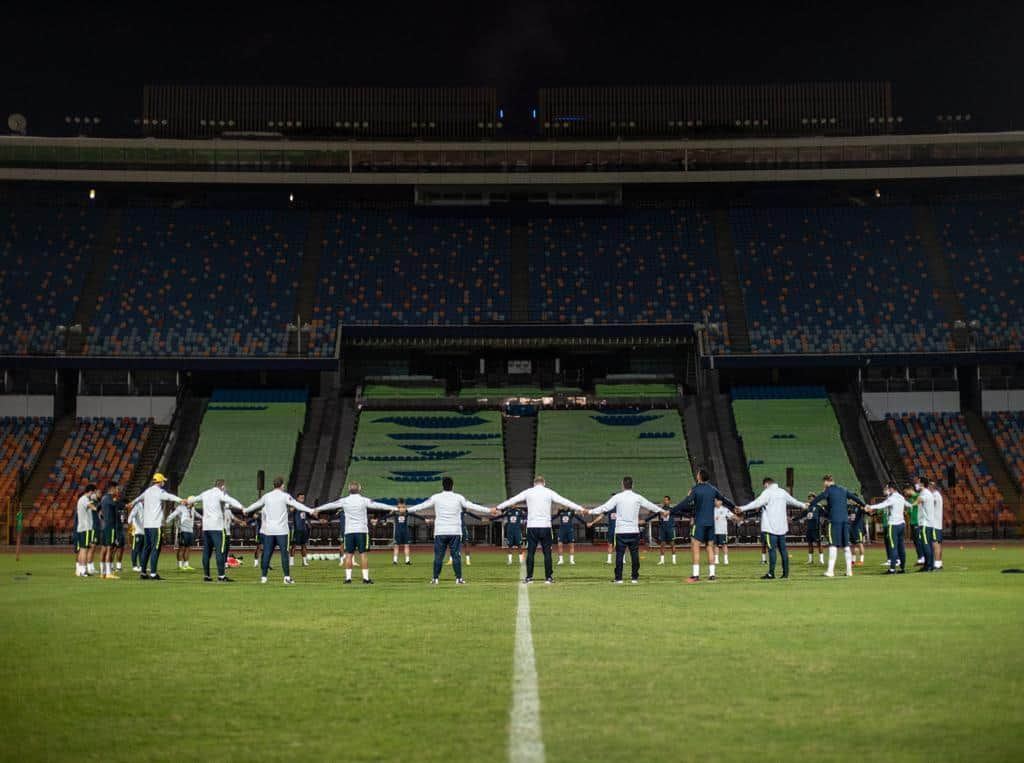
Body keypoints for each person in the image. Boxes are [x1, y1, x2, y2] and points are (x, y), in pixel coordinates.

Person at [494, 476, 584, 584]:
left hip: (532, 527)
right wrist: (581, 508)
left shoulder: (528, 492)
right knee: (547, 553)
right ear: (544, 483)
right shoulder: (549, 492)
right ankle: (548, 578)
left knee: (531, 553)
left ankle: (529, 577)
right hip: (545, 527)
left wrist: (497, 507)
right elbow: (565, 501)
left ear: (534, 483)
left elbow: (512, 500)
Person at [405, 476, 491, 585]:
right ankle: (458, 578)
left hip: (440, 531)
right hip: (455, 531)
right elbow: (472, 506)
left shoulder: (436, 497)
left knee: (438, 556)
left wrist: (407, 510)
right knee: (456, 555)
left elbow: (422, 506)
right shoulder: (459, 497)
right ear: (453, 486)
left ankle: (435, 578)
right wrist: (489, 510)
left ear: (442, 486)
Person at [583, 476, 662, 584]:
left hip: (621, 531)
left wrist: (590, 512)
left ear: (622, 485)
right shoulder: (637, 497)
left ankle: (619, 578)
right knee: (635, 555)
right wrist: (662, 511)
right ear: (632, 485)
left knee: (620, 555)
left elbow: (604, 508)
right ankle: (634, 578)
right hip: (634, 531)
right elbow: (650, 505)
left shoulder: (618, 497)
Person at [314, 482, 396, 585]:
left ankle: (348, 579)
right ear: (359, 489)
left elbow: (331, 505)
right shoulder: (363, 500)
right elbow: (378, 505)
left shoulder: (344, 501)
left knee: (348, 555)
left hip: (349, 532)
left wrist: (318, 508)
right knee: (363, 555)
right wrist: (394, 508)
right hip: (361, 531)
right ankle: (365, 579)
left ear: (349, 489)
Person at [244, 476, 316, 585]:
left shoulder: (266, 496)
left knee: (267, 553)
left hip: (269, 530)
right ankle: (286, 577)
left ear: (273, 485)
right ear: (282, 485)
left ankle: (264, 577)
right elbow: (297, 504)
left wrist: (246, 509)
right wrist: (310, 510)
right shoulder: (285, 496)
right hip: (282, 531)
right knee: (284, 553)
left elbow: (256, 504)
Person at [669, 469, 735, 582]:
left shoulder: (696, 489)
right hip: (710, 523)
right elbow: (723, 499)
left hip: (699, 522)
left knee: (695, 546)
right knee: (710, 547)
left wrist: (671, 510)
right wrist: (734, 507)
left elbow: (686, 502)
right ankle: (712, 574)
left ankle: (695, 575)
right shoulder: (713, 489)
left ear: (699, 477)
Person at [738, 477, 806, 580]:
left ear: (766, 484)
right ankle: (785, 573)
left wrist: (742, 508)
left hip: (770, 528)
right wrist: (804, 505)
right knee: (783, 550)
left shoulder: (767, 492)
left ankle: (771, 573)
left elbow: (756, 503)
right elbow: (794, 501)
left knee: (772, 550)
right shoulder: (782, 492)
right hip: (782, 527)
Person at [127, 473, 186, 580]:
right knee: (156, 548)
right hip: (156, 525)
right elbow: (169, 497)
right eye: (163, 481)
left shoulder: (148, 491)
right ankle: (153, 573)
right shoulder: (159, 492)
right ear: (160, 481)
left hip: (147, 526)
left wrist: (131, 503)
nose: (164, 482)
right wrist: (180, 500)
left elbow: (138, 498)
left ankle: (143, 572)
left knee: (146, 548)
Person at [188, 479, 245, 582]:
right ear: (222, 486)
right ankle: (221, 576)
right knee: (220, 552)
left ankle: (206, 576)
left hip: (206, 528)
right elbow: (231, 500)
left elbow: (193, 499)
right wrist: (241, 507)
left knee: (206, 552)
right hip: (218, 527)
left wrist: (186, 501)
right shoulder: (219, 494)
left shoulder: (205, 493)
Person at [808, 475, 865, 578]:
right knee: (846, 546)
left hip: (834, 521)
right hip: (845, 520)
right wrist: (864, 505)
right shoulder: (843, 489)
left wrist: (810, 504)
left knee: (833, 545)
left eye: (824, 483)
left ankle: (830, 571)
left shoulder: (828, 490)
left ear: (826, 482)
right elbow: (855, 498)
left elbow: (819, 498)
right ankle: (849, 571)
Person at [864, 483, 908, 574]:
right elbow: (908, 505)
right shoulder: (901, 497)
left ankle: (892, 569)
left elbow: (882, 505)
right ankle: (902, 568)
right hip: (902, 524)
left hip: (893, 525)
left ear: (891, 489)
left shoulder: (892, 498)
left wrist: (870, 507)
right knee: (901, 547)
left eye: (888, 488)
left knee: (893, 546)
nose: (887, 490)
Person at [74, 485, 100, 577]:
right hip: (86, 528)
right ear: (90, 491)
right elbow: (93, 507)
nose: (93, 494)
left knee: (82, 549)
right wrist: (98, 507)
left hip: (81, 528)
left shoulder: (82, 499)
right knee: (85, 549)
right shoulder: (84, 499)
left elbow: (92, 501)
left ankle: (81, 570)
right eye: (93, 492)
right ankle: (83, 570)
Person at [165, 499, 198, 571]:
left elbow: (197, 515)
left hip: (190, 530)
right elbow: (173, 515)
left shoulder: (192, 509)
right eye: (193, 503)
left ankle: (186, 565)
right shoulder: (181, 508)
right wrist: (167, 521)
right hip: (183, 530)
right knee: (181, 548)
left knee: (188, 548)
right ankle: (180, 565)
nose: (193, 505)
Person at [97, 484, 122, 579]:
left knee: (103, 549)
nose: (118, 491)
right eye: (117, 489)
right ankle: (108, 572)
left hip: (104, 526)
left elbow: (98, 508)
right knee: (109, 549)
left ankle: (102, 572)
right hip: (110, 526)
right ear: (113, 489)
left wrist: (101, 514)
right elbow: (117, 505)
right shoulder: (110, 499)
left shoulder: (103, 498)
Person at [912, 477, 936, 572]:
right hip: (927, 523)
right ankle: (928, 564)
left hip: (925, 523)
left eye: (918, 482)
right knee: (927, 544)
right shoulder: (926, 493)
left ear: (922, 484)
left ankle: (929, 566)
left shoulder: (925, 493)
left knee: (926, 545)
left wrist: (906, 504)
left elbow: (917, 502)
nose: (916, 484)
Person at [289, 492, 313, 568]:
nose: (302, 498)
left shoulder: (304, 507)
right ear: (297, 498)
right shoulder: (295, 506)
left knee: (304, 545)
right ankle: (291, 561)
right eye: (301, 497)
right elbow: (290, 511)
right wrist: (293, 507)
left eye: (303, 497)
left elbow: (306, 516)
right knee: (294, 545)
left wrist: (308, 523)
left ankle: (304, 562)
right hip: (297, 529)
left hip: (304, 529)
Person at [905, 486, 926, 565]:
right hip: (912, 522)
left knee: (919, 541)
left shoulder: (918, 496)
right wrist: (906, 512)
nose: (905, 494)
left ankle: (923, 557)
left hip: (918, 522)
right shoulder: (910, 499)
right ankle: (920, 557)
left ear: (910, 489)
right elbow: (909, 511)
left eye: (906, 492)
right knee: (916, 541)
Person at [656, 495, 678, 565]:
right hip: (663, 529)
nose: (665, 501)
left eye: (666, 500)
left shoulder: (672, 509)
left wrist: (690, 516)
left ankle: (674, 560)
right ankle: (662, 560)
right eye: (664, 500)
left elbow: (680, 513)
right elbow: (657, 517)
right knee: (662, 544)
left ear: (669, 501)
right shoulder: (661, 510)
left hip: (670, 529)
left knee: (672, 544)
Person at [928, 479, 945, 570]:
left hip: (934, 524)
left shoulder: (934, 495)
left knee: (935, 544)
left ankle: (937, 563)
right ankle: (939, 562)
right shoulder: (937, 494)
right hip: (938, 523)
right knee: (938, 543)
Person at [805, 492, 825, 565]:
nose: (810, 499)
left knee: (819, 544)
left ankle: (821, 560)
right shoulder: (808, 507)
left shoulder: (818, 506)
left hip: (816, 528)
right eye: (809, 498)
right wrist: (795, 518)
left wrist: (821, 522)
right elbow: (803, 514)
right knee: (809, 544)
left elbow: (824, 514)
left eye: (812, 498)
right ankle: (810, 560)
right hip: (809, 528)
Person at [112, 490, 128, 572]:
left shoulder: (121, 504)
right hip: (114, 529)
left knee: (121, 547)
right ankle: (110, 565)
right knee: (113, 547)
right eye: (117, 493)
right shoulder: (113, 504)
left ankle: (118, 566)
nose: (119, 495)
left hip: (121, 529)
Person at [128, 499, 145, 572]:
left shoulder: (146, 507)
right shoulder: (137, 506)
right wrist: (131, 525)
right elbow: (131, 516)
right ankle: (134, 566)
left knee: (142, 550)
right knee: (135, 548)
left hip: (144, 531)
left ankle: (141, 566)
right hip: (137, 531)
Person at [850, 500, 869, 567]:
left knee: (860, 544)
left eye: (851, 499)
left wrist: (867, 509)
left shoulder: (860, 507)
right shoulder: (851, 507)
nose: (850, 500)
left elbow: (867, 512)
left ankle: (861, 561)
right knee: (853, 545)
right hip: (852, 529)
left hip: (858, 528)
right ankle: (853, 561)